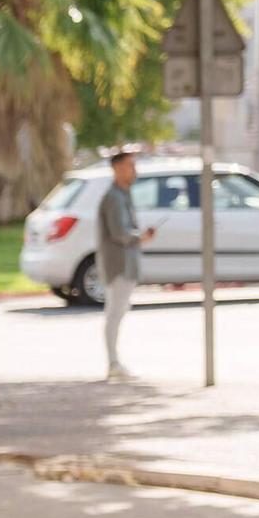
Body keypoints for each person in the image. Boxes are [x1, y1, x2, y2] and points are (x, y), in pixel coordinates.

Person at [96, 147, 155, 383]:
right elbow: (119, 232)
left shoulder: (123, 195)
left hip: (126, 263)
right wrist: (140, 237)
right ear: (118, 168)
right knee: (114, 314)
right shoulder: (114, 198)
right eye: (130, 165)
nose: (134, 171)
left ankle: (115, 362)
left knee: (118, 313)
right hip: (118, 264)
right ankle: (113, 363)